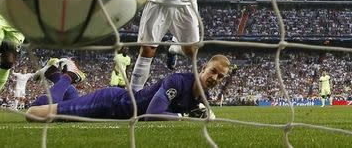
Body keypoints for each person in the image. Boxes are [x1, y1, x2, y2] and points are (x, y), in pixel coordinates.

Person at [26, 54, 230, 122]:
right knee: (35, 113)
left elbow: (205, 114)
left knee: (65, 104)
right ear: (203, 67)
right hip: (110, 103)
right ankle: (68, 75)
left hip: (116, 114)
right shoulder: (177, 81)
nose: (214, 78)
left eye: (220, 76)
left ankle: (54, 74)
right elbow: (152, 113)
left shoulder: (203, 96)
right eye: (213, 71)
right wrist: (184, 117)